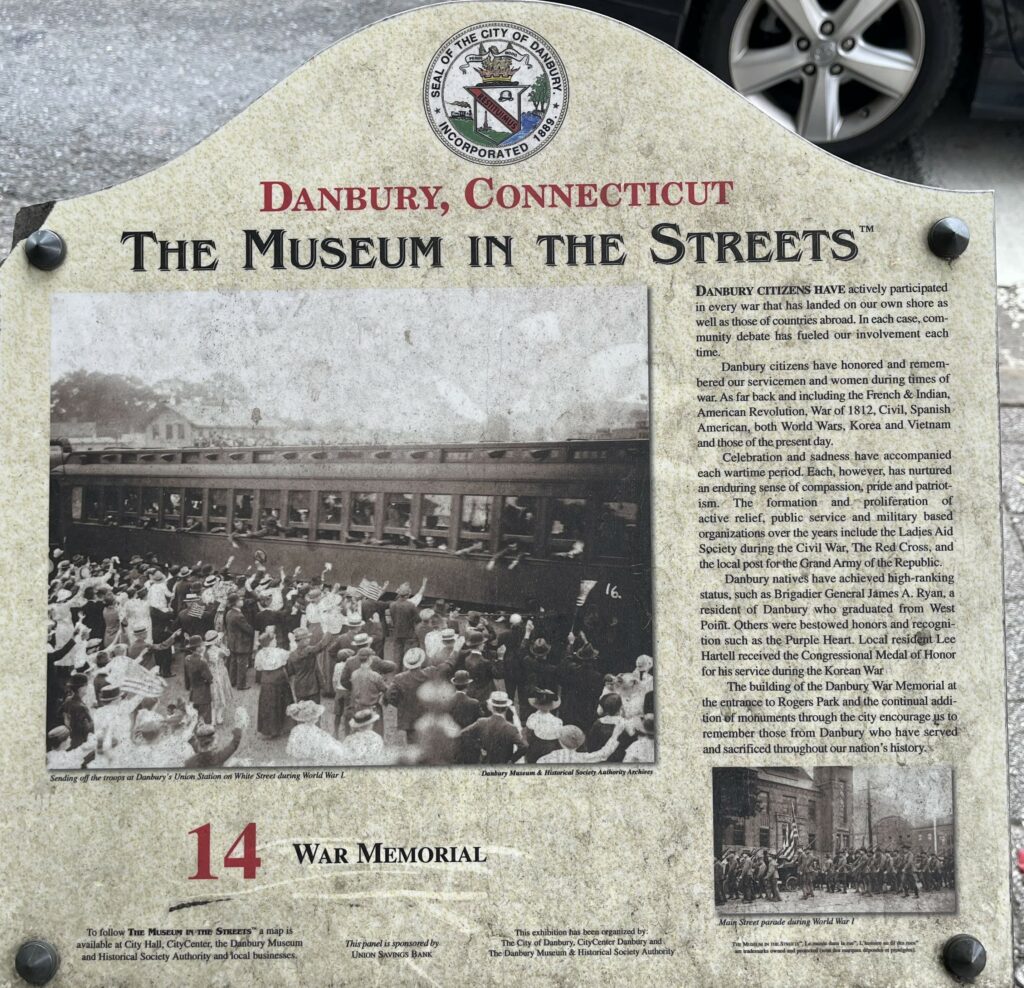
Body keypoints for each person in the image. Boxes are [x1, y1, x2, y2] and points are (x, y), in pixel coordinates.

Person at [459, 691, 526, 764]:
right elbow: (524, 746)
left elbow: (462, 734)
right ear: (506, 708)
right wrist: (512, 760)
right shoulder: (511, 728)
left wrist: (478, 746)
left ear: (491, 707)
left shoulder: (481, 722)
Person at [385, 648, 432, 743]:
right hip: (426, 715)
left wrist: (400, 704)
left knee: (412, 744)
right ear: (421, 661)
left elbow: (389, 695)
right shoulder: (429, 674)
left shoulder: (399, 678)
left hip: (409, 717)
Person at [255, 630, 292, 738]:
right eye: (274, 639)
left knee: (268, 703)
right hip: (279, 677)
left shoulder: (260, 653)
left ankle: (268, 730)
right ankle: (283, 727)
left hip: (266, 679)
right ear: (270, 642)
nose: (276, 641)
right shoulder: (279, 651)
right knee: (282, 701)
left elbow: (258, 667)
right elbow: (289, 656)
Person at [536, 722, 624, 763]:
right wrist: (615, 734)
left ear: (560, 740)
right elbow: (604, 753)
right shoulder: (582, 758)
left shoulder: (545, 759)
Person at [448, 670, 483, 764]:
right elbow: (480, 722)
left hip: (453, 743)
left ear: (454, 684)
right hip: (470, 744)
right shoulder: (474, 703)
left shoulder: (447, 702)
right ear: (468, 685)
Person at [224, 593, 255, 690]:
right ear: (235, 603)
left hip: (232, 642)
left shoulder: (229, 613)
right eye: (240, 600)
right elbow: (248, 629)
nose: (242, 601)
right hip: (241, 643)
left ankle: (232, 681)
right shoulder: (238, 616)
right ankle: (241, 684)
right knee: (242, 664)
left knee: (233, 662)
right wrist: (253, 631)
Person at [183, 634, 215, 724]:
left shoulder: (187, 659)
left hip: (193, 692)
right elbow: (209, 677)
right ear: (198, 648)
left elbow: (186, 676)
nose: (203, 647)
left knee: (195, 718)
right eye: (201, 645)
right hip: (204, 693)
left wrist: (188, 686)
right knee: (206, 718)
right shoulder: (202, 661)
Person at [388, 583, 420, 661]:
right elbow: (418, 619)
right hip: (409, 634)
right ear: (407, 595)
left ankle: (397, 671)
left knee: (397, 656)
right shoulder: (411, 605)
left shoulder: (392, 605)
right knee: (408, 656)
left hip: (397, 633)